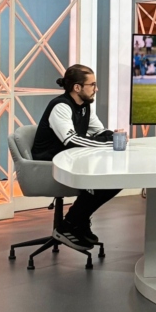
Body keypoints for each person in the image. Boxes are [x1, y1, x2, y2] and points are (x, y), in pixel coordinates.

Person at [31, 64, 122, 251]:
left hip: (70, 160)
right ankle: (69, 224)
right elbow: (71, 140)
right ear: (77, 87)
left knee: (116, 179)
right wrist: (109, 143)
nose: (96, 89)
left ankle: (78, 221)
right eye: (92, 85)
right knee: (102, 181)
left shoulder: (85, 107)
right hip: (50, 165)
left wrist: (114, 136)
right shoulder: (61, 106)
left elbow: (99, 131)